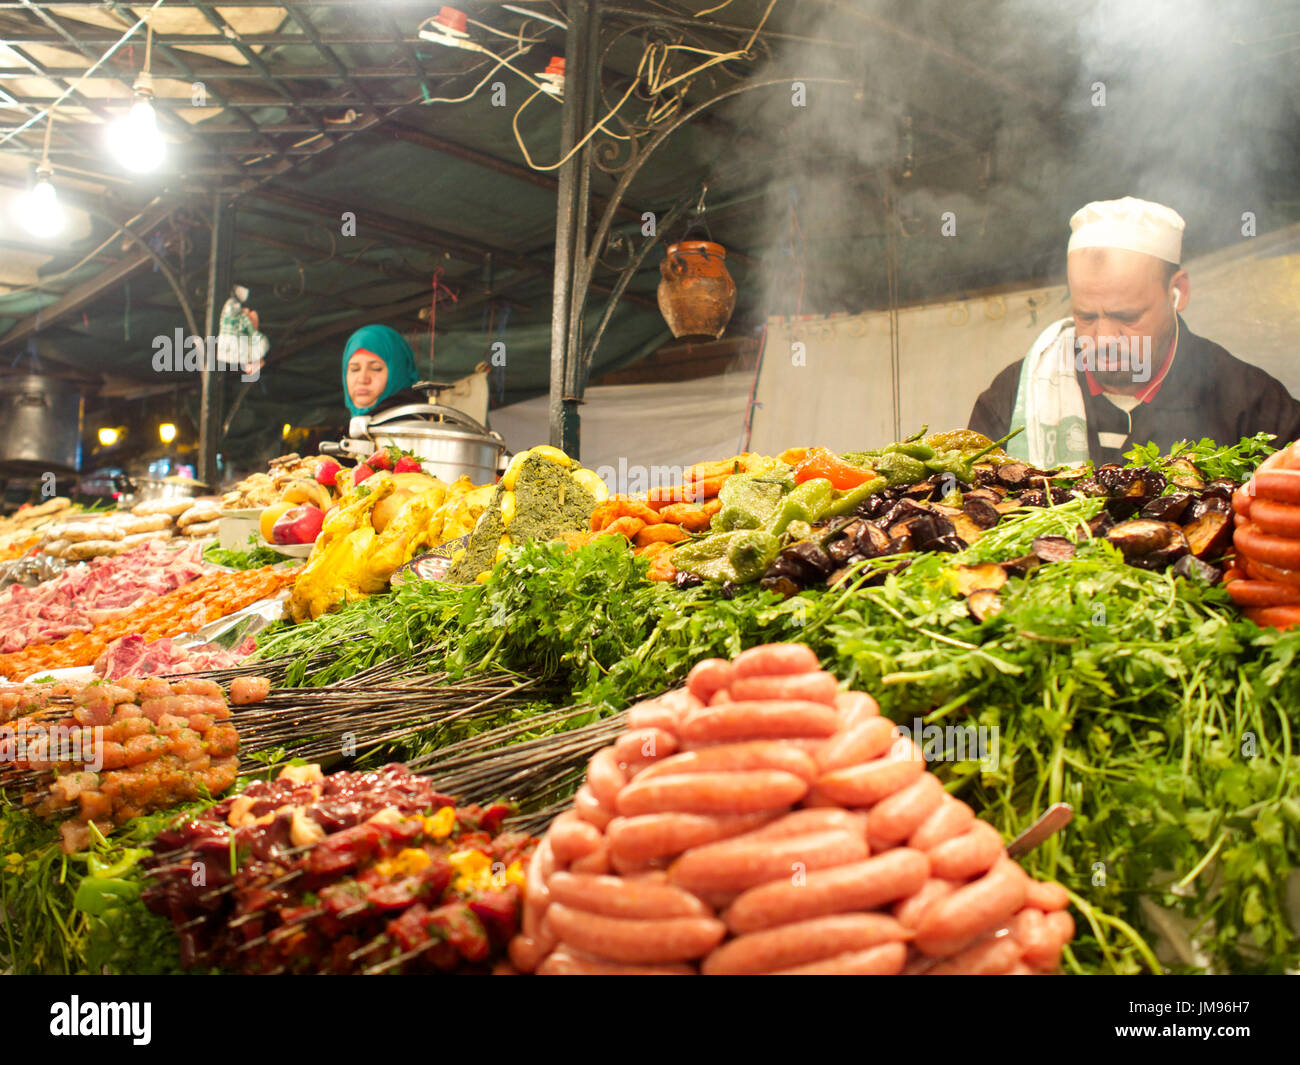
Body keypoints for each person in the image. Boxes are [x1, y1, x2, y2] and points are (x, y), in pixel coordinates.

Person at [968, 197, 1300, 466]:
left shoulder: (1250, 403)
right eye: (1086, 317)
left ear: (1178, 292)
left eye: (1126, 317)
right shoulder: (1016, 397)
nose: (1105, 339)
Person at [342, 324, 424, 420]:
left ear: (398, 373)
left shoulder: (413, 427)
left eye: (376, 368)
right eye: (354, 369)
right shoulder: (360, 428)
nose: (362, 379)